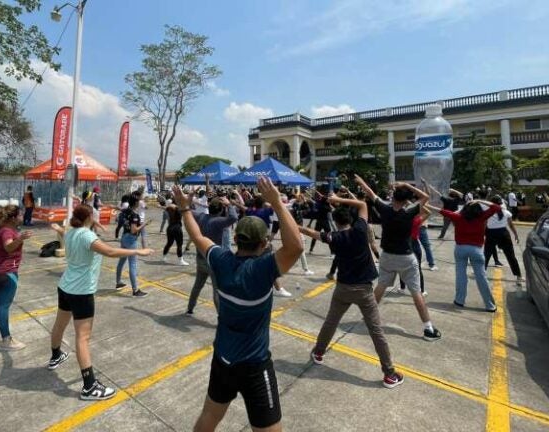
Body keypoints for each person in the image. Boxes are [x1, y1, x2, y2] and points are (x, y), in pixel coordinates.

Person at [174, 177, 303, 432]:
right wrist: (277, 202)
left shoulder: (221, 261)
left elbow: (198, 235)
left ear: (236, 239)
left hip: (223, 359)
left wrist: (184, 209)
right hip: (254, 365)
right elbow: (296, 246)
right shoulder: (262, 270)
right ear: (264, 243)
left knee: (209, 416)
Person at [47, 205, 154, 400]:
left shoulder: (72, 232)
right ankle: (89, 386)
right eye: (94, 214)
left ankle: (55, 356)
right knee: (83, 337)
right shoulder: (87, 236)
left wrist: (60, 227)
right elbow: (110, 252)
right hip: (81, 291)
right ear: (89, 216)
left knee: (60, 324)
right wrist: (139, 252)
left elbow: (65, 231)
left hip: (65, 286)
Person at [299, 199, 404, 389]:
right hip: (364, 290)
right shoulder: (359, 230)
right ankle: (389, 373)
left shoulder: (334, 237)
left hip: (343, 289)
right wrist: (338, 199)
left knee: (331, 322)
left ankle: (319, 352)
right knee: (376, 330)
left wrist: (292, 224)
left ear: (336, 221)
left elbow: (310, 232)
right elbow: (363, 205)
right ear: (351, 219)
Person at [353, 175, 442, 341]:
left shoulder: (385, 210)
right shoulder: (409, 212)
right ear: (406, 199)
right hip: (406, 257)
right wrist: (406, 185)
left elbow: (371, 193)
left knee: (380, 286)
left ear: (393, 197)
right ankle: (428, 328)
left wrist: (361, 181)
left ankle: (368, 316)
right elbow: (426, 197)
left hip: (387, 255)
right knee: (416, 292)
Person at [426, 199, 501, 312]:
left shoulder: (458, 217)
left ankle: (459, 300)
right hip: (477, 250)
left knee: (461, 275)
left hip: (460, 248)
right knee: (481, 277)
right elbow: (496, 208)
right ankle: (489, 305)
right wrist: (479, 200)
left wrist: (425, 204)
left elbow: (441, 210)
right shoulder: (481, 217)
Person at [0, 205, 33, 350]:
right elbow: (8, 247)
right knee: (3, 305)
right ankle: (6, 340)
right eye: (21, 215)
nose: (23, 217)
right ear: (14, 218)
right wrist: (20, 238)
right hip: (6, 273)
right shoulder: (7, 231)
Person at [186, 196, 238, 315]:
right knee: (217, 290)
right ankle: (221, 316)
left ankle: (190, 308)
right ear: (220, 210)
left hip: (200, 257)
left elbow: (187, 210)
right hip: (214, 260)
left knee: (197, 286)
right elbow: (234, 217)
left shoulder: (200, 217)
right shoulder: (219, 222)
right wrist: (229, 204)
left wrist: (188, 200)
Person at [115, 196, 151, 297]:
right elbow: (134, 230)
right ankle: (135, 290)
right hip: (131, 239)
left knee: (122, 261)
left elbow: (120, 218)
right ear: (135, 203)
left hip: (124, 237)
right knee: (133, 264)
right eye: (138, 201)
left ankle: (118, 282)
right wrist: (144, 224)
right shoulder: (134, 215)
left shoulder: (126, 211)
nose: (140, 202)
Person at [484, 196, 524, 285]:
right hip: (504, 234)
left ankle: (481, 273)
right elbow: (511, 225)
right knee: (510, 255)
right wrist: (516, 235)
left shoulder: (488, 212)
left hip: (491, 234)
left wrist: (482, 235)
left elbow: (484, 224)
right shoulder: (507, 212)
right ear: (501, 203)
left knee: (486, 254)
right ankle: (518, 276)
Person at [162, 201, 189, 266]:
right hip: (177, 228)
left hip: (170, 228)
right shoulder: (179, 209)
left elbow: (165, 207)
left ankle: (164, 256)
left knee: (169, 243)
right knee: (179, 245)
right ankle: (181, 260)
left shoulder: (169, 209)